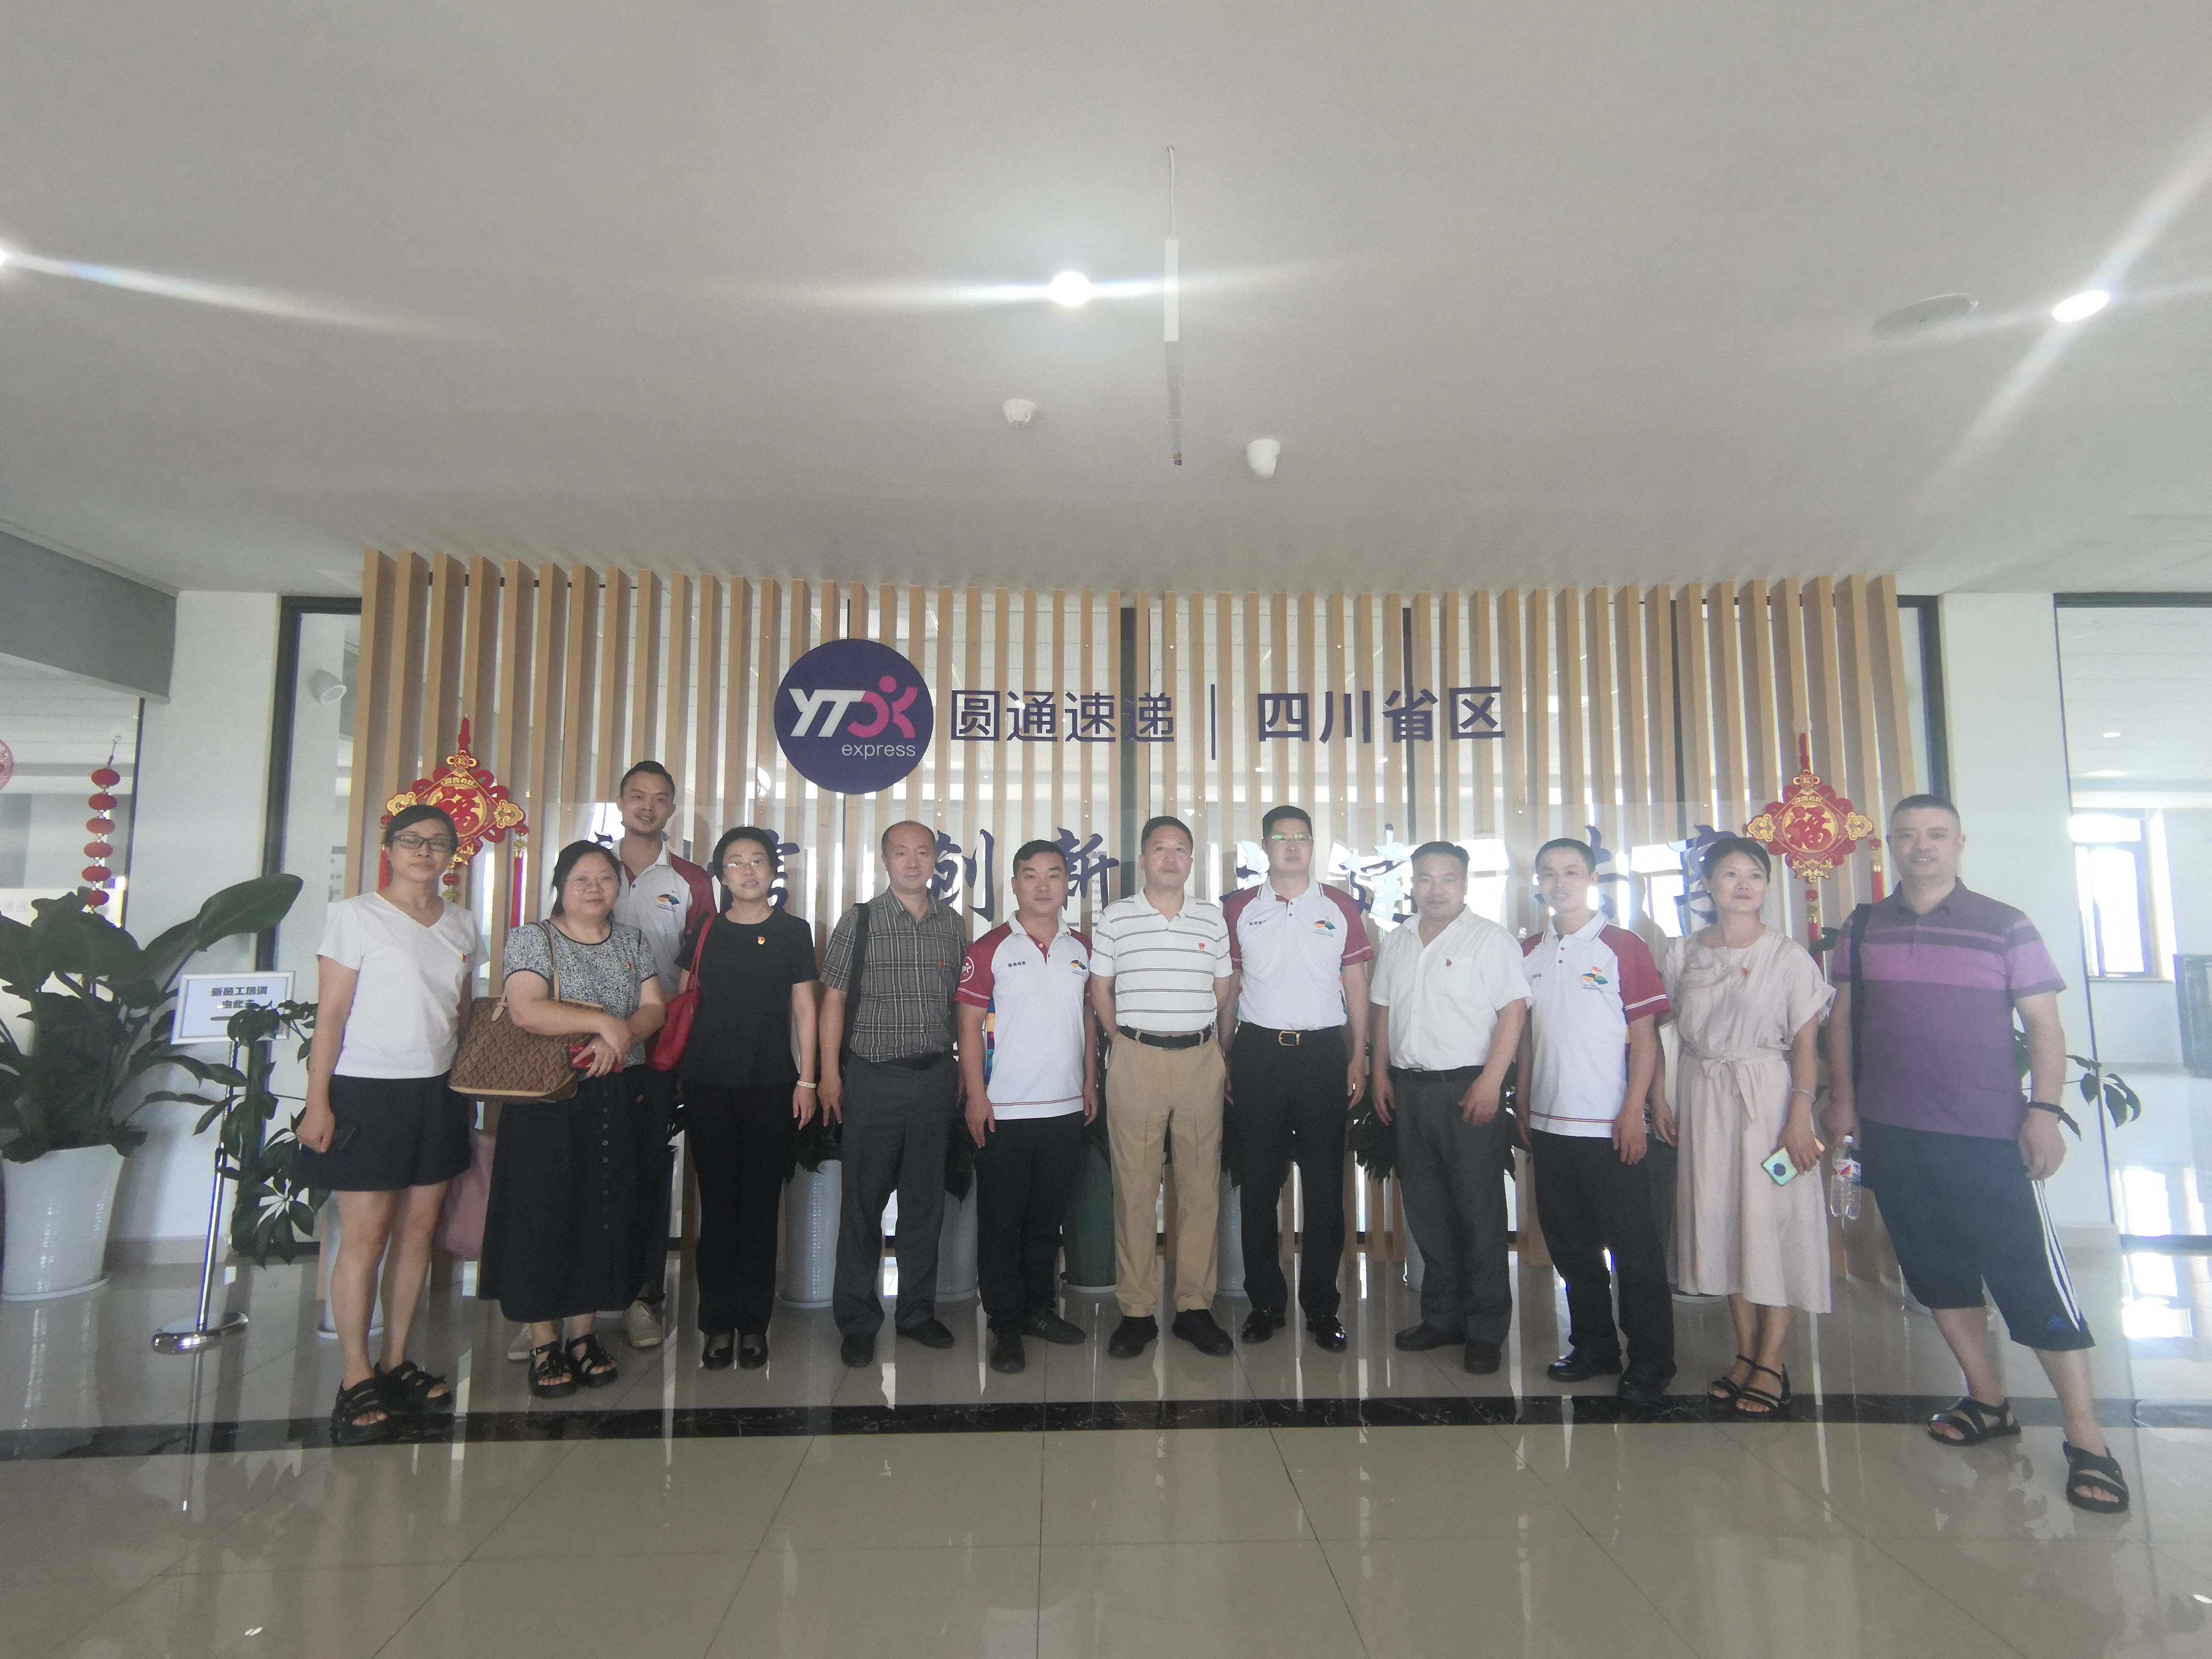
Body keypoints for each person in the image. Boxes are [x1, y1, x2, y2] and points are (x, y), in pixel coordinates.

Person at [1826, 796, 2127, 1514]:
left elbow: (2044, 1026)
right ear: (1890, 844)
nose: (1921, 846)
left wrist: (2044, 1113)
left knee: (2030, 1280)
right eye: (1907, 835)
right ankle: (1987, 1400)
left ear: (1960, 842)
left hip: (1988, 1133)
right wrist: (1844, 1102)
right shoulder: (1864, 926)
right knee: (1938, 1273)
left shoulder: (2004, 924)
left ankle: (2087, 1438)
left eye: (1936, 834)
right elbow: (1842, 1021)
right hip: (1894, 1131)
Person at [297, 805, 481, 1444]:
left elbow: (459, 1013)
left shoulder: (462, 922)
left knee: (419, 1231)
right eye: (411, 841)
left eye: (437, 843)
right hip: (365, 1089)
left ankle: (396, 1360)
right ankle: (356, 1375)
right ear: (389, 849)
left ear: (452, 854)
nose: (424, 852)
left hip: (438, 1089)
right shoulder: (357, 917)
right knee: (367, 1233)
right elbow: (331, 1015)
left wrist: (467, 1088)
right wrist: (318, 1100)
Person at [478, 841, 668, 1398]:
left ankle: (584, 1337)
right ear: (561, 886)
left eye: (605, 879)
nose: (594, 888)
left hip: (613, 1096)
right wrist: (604, 1024)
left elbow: (654, 1007)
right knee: (542, 1214)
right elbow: (526, 1008)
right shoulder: (533, 938)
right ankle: (545, 1342)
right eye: (581, 879)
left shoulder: (632, 941)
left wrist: (619, 1037)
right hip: (545, 1098)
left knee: (599, 1211)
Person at [1651, 836, 1832, 1418]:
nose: (1743, 884)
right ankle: (1746, 1353)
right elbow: (1662, 1033)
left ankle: (1772, 1362)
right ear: (1708, 885)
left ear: (1766, 885)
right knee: (1724, 1223)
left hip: (1769, 1101)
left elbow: (1807, 1047)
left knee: (1774, 1223)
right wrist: (1660, 1097)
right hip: (1704, 1097)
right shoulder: (1683, 953)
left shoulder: (1789, 957)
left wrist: (1800, 1117)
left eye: (1754, 874)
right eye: (1729, 874)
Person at [1518, 838, 1674, 1401]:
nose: (1559, 883)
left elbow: (1645, 1036)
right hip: (1550, 1126)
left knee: (1635, 1250)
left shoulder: (1622, 946)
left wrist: (1635, 1110)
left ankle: (1652, 1359)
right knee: (1571, 1247)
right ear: (1537, 883)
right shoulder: (1528, 951)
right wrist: (1523, 1102)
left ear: (1591, 880)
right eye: (1548, 873)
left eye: (1571, 872)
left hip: (1610, 1126)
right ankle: (1594, 1345)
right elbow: (1527, 1036)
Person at [1370, 841, 1529, 1376]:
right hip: (1410, 1090)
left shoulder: (1490, 940)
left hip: (1468, 1090)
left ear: (1464, 884)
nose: (1436, 889)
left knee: (1479, 1213)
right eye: (1425, 879)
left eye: (1448, 879)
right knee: (1428, 1210)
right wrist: (1379, 1074)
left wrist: (1492, 1082)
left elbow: (1513, 1013)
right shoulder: (1398, 940)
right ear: (1411, 884)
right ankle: (1441, 1317)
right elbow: (1383, 1011)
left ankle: (1485, 1329)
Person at [1220, 804, 1374, 1351]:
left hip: (1322, 1054)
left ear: (1313, 846)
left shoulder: (1339, 906)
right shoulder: (1239, 907)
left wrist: (1357, 1055)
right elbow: (1230, 986)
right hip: (1258, 1052)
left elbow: (1356, 983)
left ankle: (1323, 1307)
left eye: (1302, 837)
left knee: (1325, 1184)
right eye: (1281, 837)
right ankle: (1266, 1303)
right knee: (1259, 1184)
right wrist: (1225, 1054)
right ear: (1264, 847)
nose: (1292, 846)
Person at [819, 820, 969, 1368]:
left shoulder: (953, 925)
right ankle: (859, 1321)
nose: (912, 862)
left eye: (922, 852)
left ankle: (917, 1314)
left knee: (925, 1206)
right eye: (901, 852)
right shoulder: (859, 921)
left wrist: (965, 1074)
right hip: (873, 1078)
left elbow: (964, 1006)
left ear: (935, 861)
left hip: (935, 1078)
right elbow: (833, 1001)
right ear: (885, 860)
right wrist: (829, 1076)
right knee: (863, 1205)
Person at [1090, 815, 1238, 1359]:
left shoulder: (1212, 918)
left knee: (1199, 1189)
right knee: (1134, 1188)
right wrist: (1126, 1042)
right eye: (1160, 848)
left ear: (1191, 861)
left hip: (1200, 1059)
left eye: (1180, 849)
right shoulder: (1116, 917)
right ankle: (1136, 1313)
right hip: (1136, 1059)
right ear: (1144, 859)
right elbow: (1101, 989)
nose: (1171, 857)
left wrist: (1198, 1037)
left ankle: (1194, 1308)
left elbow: (1223, 988)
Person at [677, 827, 819, 1370]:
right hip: (708, 1083)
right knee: (717, 1207)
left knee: (761, 1205)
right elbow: (684, 998)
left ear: (772, 869)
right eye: (735, 862)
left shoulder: (793, 931)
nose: (748, 870)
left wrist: (808, 1080)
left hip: (771, 1083)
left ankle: (754, 1324)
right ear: (721, 875)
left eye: (757, 860)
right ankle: (717, 1324)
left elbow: (805, 1008)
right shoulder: (705, 930)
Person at [957, 840, 1096, 1373]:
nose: (1043, 885)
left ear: (1067, 884)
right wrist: (976, 1096)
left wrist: (1091, 1082)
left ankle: (1040, 1309)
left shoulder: (1081, 948)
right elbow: (969, 1026)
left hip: (1065, 1109)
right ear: (1014, 885)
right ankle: (1004, 1324)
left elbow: (1088, 1019)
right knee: (1001, 1223)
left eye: (1054, 874)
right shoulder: (989, 948)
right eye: (1031, 875)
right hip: (1005, 1110)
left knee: (1045, 1221)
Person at [605, 760, 713, 1352]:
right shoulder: (591, 867)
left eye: (660, 798)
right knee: (583, 1169)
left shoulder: (692, 879)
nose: (648, 806)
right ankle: (565, 1298)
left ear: (671, 808)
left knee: (647, 1171)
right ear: (621, 803)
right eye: (637, 796)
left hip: (657, 1053)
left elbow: (699, 969)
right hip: (585, 1051)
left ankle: (643, 1297)